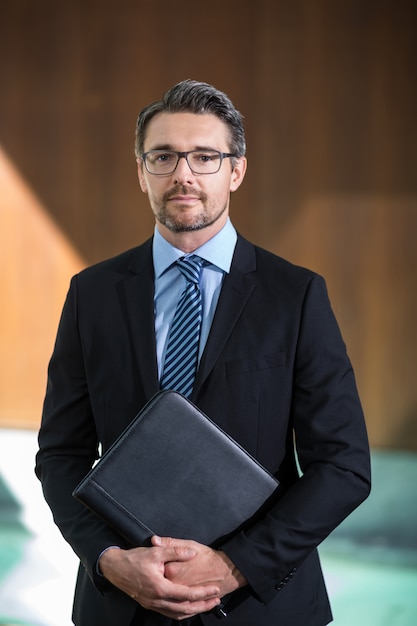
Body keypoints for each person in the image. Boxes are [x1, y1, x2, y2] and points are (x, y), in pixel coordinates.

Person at [35, 79, 371, 626]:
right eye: (163, 156)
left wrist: (234, 565)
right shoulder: (91, 295)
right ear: (141, 172)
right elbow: (60, 454)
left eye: (205, 157)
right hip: (123, 605)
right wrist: (108, 559)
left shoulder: (297, 295)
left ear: (236, 171)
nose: (183, 174)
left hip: (260, 606)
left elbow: (344, 466)